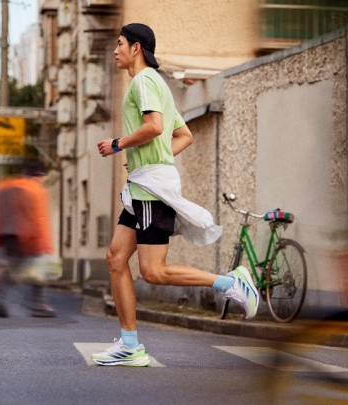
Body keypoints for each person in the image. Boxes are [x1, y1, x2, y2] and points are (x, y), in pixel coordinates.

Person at [92, 23, 259, 367]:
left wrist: (119, 144)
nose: (115, 50)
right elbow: (183, 135)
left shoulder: (145, 81)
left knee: (153, 271)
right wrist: (151, 159)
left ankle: (231, 282)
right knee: (115, 258)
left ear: (136, 48)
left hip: (151, 189)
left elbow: (154, 126)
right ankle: (129, 345)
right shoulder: (158, 86)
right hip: (143, 184)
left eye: (120, 44)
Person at [0, 159, 57, 318]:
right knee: (39, 270)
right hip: (30, 235)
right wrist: (43, 244)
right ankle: (38, 304)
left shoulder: (7, 186)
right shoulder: (35, 189)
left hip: (6, 236)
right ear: (39, 175)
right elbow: (38, 218)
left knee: (11, 266)